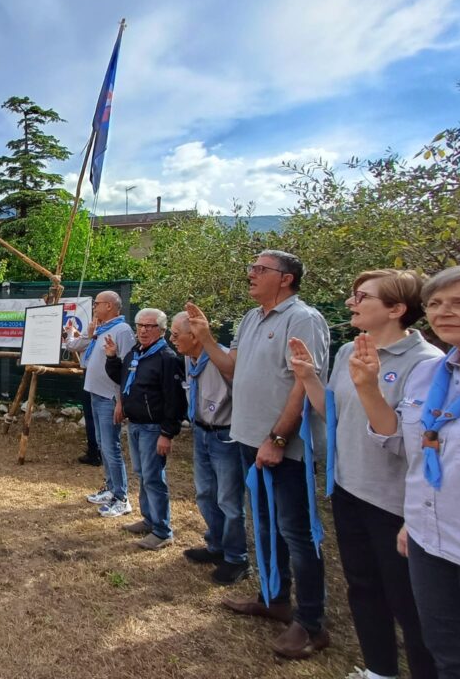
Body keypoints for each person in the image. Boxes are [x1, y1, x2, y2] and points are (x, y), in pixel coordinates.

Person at [288, 270, 440, 679]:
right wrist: (308, 377)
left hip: (395, 502)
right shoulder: (347, 352)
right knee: (362, 587)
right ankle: (379, 671)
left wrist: (371, 386)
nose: (352, 303)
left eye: (362, 296)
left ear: (396, 309)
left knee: (408, 603)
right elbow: (331, 415)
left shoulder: (426, 365)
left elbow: (403, 439)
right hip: (349, 488)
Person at [187, 250, 331, 660]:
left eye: (259, 269)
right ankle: (274, 598)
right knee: (265, 526)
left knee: (298, 535)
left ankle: (311, 624)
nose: (250, 274)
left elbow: (305, 384)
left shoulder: (304, 319)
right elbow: (231, 367)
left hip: (286, 447)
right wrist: (207, 337)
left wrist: (279, 439)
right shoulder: (252, 318)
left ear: (285, 279)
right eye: (251, 268)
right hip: (250, 441)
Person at [350, 265, 460, 677]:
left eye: (458, 303)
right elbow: (404, 444)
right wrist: (367, 389)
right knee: (444, 648)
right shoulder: (433, 375)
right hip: (429, 533)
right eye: (435, 303)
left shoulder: (421, 361)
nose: (444, 311)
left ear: (398, 309)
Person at [169, 311, 249, 585]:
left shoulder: (223, 359)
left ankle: (237, 558)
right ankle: (216, 545)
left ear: (195, 336)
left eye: (175, 335)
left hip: (225, 437)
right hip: (201, 433)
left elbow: (244, 394)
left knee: (229, 500)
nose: (172, 339)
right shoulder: (188, 357)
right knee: (205, 494)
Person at [105, 308, 185, 550]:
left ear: (162, 331)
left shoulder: (167, 358)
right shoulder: (136, 352)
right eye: (140, 325)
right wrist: (111, 358)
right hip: (136, 424)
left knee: (153, 478)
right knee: (142, 474)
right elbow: (121, 377)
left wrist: (167, 433)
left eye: (149, 326)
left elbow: (175, 400)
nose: (143, 330)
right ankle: (149, 519)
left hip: (153, 428)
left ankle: (162, 531)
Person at [71, 290, 136, 518]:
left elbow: (127, 367)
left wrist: (121, 401)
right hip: (96, 394)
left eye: (97, 303)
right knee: (102, 443)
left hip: (110, 398)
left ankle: (122, 498)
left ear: (109, 306)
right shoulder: (102, 330)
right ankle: (110, 489)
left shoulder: (123, 331)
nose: (95, 307)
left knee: (111, 447)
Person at [64, 315, 101, 466]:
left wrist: (70, 334)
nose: (94, 311)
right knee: (98, 415)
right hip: (101, 375)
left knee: (91, 415)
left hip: (92, 374)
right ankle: (99, 450)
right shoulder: (111, 329)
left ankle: (94, 452)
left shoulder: (96, 329)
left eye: (97, 307)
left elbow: (73, 346)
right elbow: (85, 341)